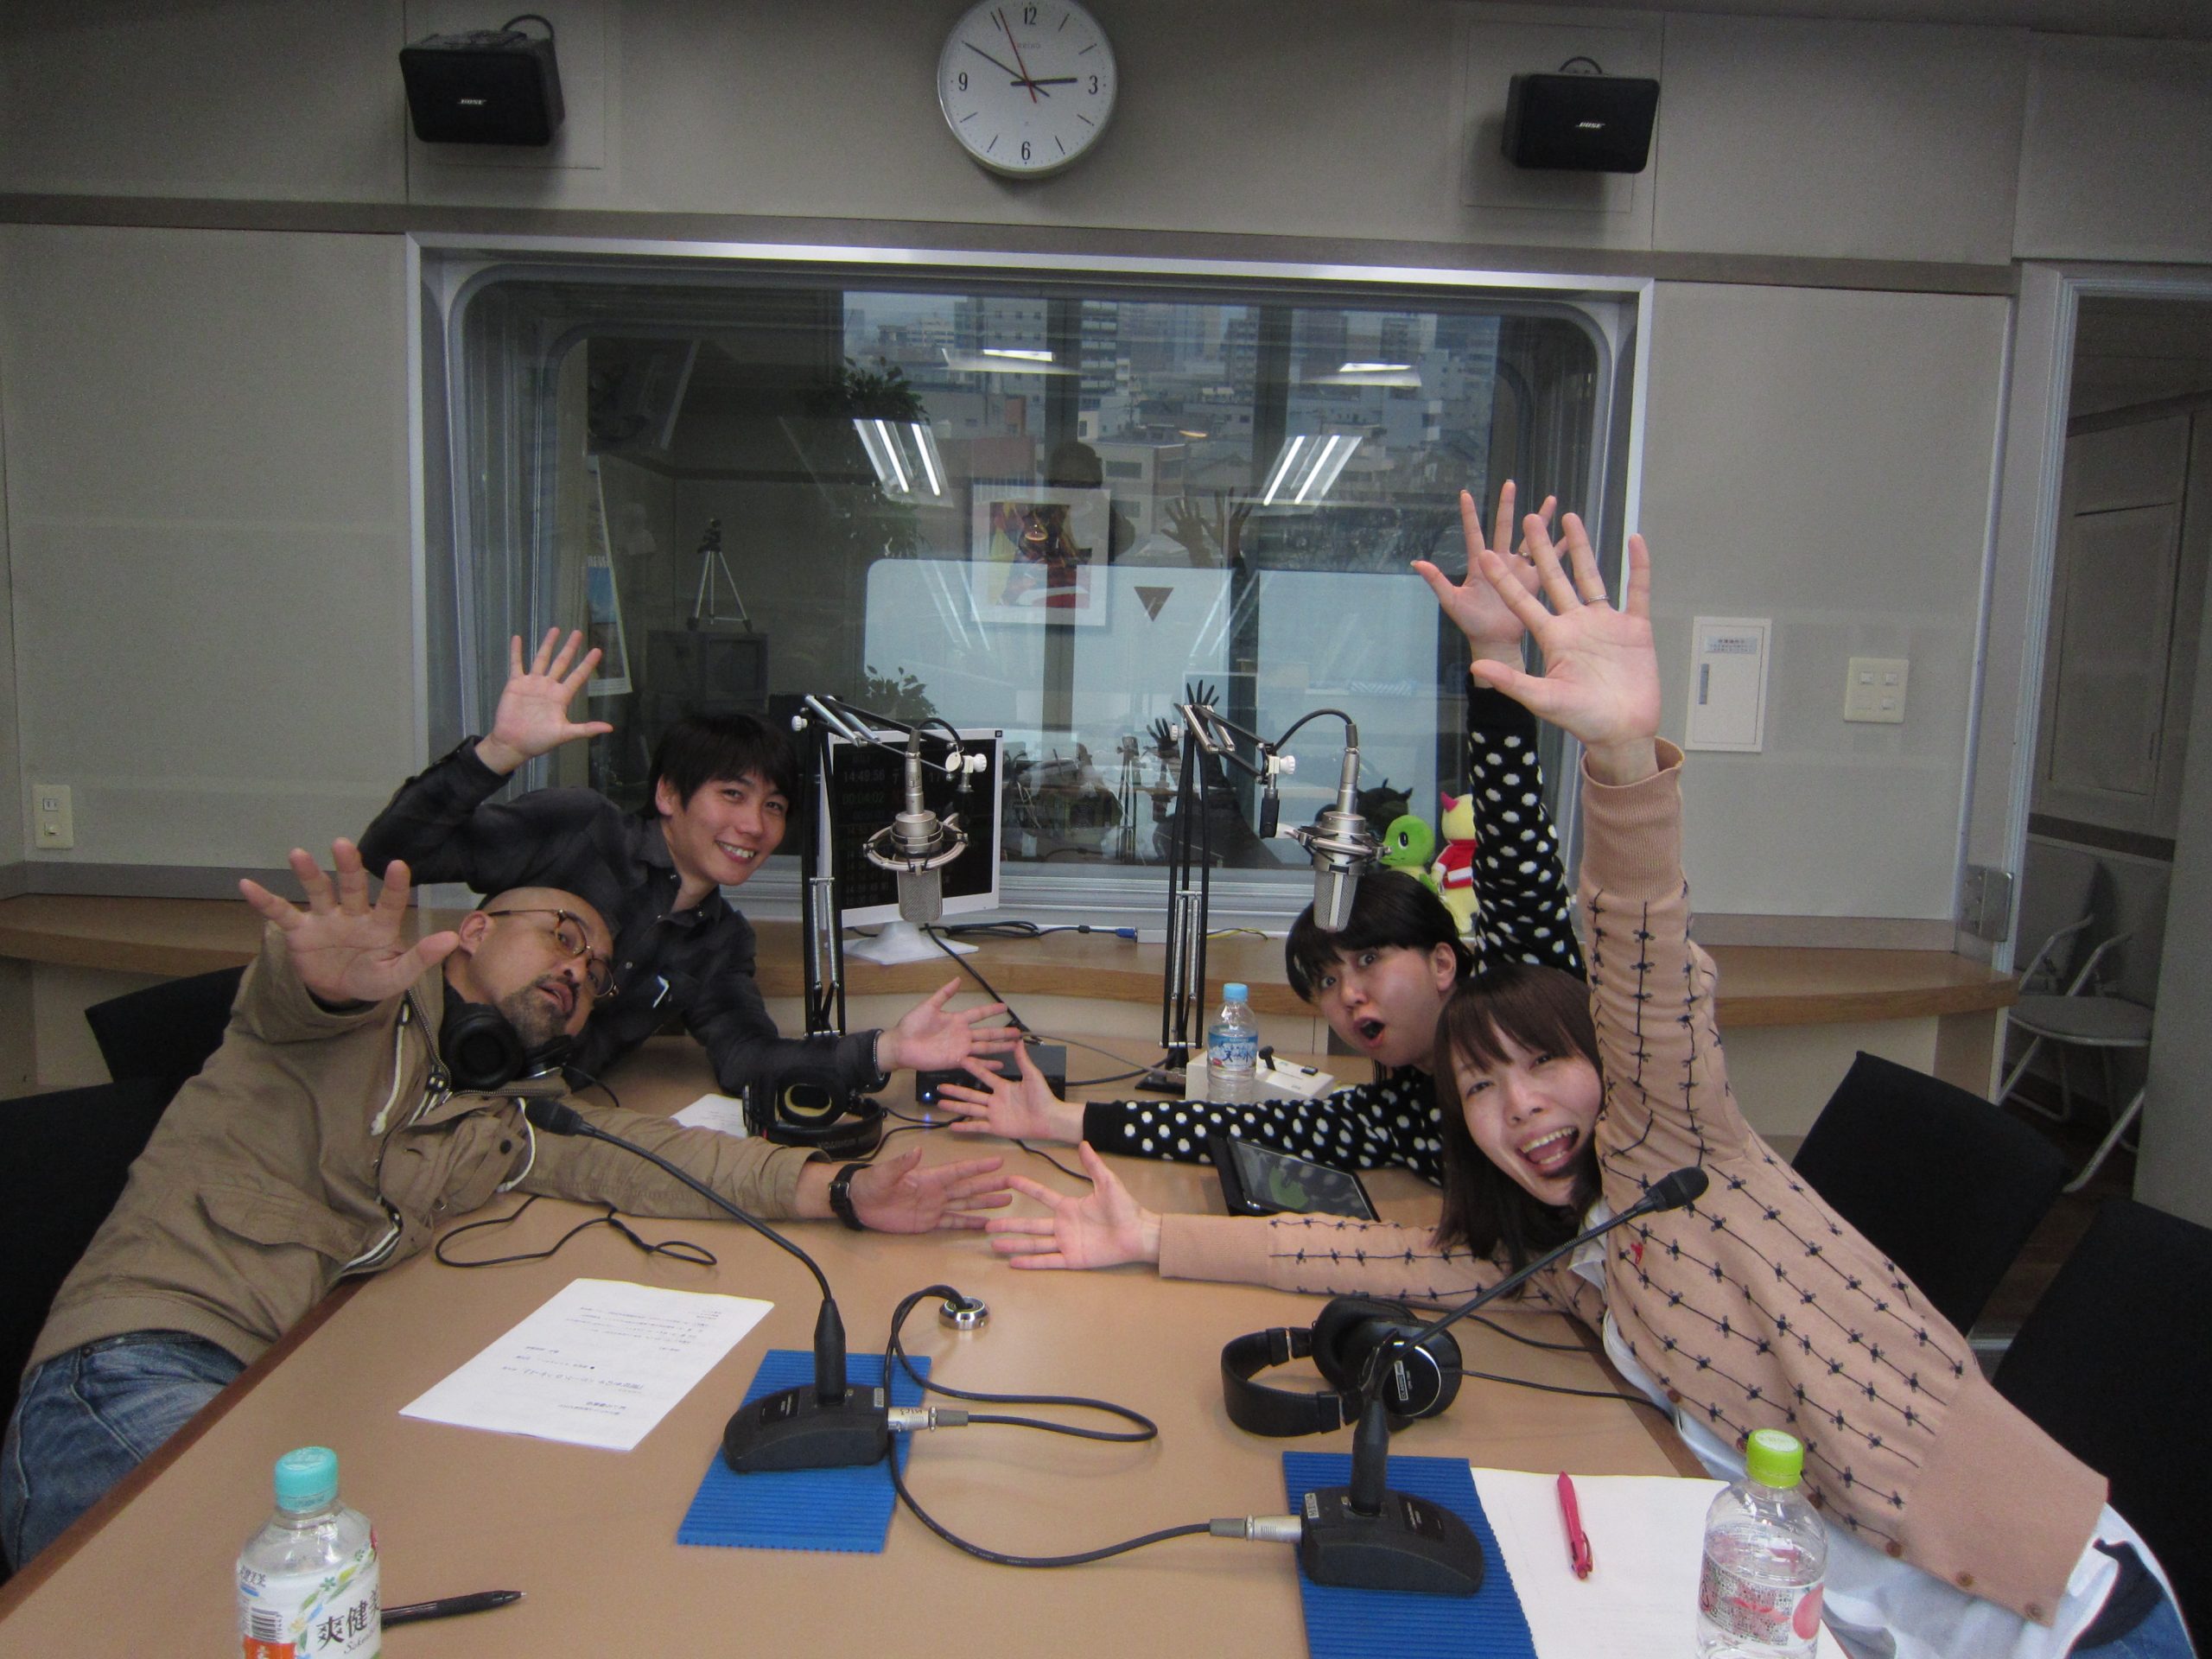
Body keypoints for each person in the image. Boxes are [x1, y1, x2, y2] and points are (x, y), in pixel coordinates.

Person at [977, 517, 2190, 1658]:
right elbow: (1364, 1254)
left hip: (2057, 1622)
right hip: (1812, 1610)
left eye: (1544, 1066)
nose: (1521, 1107)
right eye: (1481, 1092)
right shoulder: (1560, 1243)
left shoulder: (1672, 1144)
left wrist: (1613, 755)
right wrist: (1147, 1236)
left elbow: (1637, 947)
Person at [0, 842, 1011, 1571]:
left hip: (294, 1394)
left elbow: (648, 1158)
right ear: (475, 929)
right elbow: (293, 1002)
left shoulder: (503, 1108)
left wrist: (842, 1188)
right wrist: (329, 986)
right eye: (560, 939)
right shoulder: (351, 1014)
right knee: (270, 1606)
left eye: (595, 973)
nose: (575, 971)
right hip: (139, 1370)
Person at [937, 483, 1583, 1186]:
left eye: (1368, 961)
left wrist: (1495, 652)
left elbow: (1517, 856)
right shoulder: (1398, 1115)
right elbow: (1242, 1127)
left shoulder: (1530, 1004)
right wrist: (1063, 1121)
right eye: (1328, 980)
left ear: (1444, 963)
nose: (1348, 997)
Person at [356, 632, 1018, 1098]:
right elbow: (392, 853)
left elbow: (745, 1058)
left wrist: (887, 1051)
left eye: (774, 806)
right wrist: (497, 753)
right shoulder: (579, 828)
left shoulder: (720, 941)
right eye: (732, 795)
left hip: (536, 1118)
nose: (755, 826)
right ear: (669, 795)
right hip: (404, 1070)